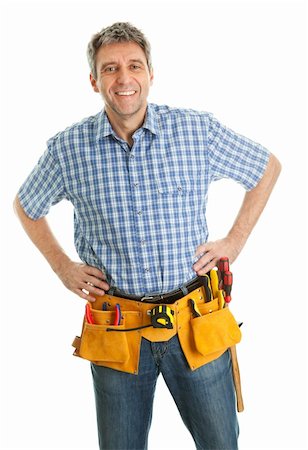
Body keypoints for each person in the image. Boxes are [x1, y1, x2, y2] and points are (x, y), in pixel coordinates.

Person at [14, 22, 281, 450]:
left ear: (150, 74)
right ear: (94, 80)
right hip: (117, 330)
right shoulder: (68, 150)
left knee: (220, 444)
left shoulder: (196, 132)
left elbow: (266, 168)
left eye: (134, 65)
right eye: (110, 68)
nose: (124, 78)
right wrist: (62, 266)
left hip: (196, 321)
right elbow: (27, 206)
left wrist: (234, 241)